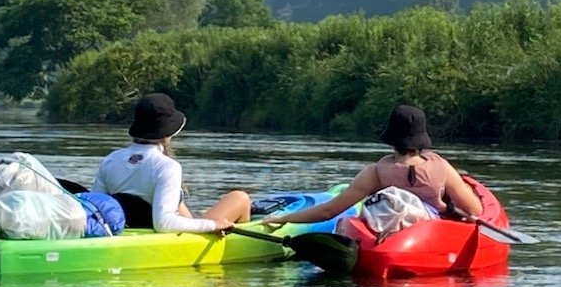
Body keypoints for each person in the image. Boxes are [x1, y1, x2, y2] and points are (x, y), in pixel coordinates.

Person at [277, 105, 482, 229]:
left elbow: (328, 211)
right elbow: (475, 210)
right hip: (428, 232)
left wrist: (284, 218)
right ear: (421, 138)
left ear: (392, 138)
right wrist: (448, 207)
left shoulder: (375, 173)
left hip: (386, 231)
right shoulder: (441, 167)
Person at [93, 93, 252, 233]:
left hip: (128, 229)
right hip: (163, 236)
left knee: (185, 207)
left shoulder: (110, 160)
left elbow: (96, 209)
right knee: (240, 198)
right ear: (169, 131)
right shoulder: (167, 167)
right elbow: (164, 223)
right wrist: (212, 225)